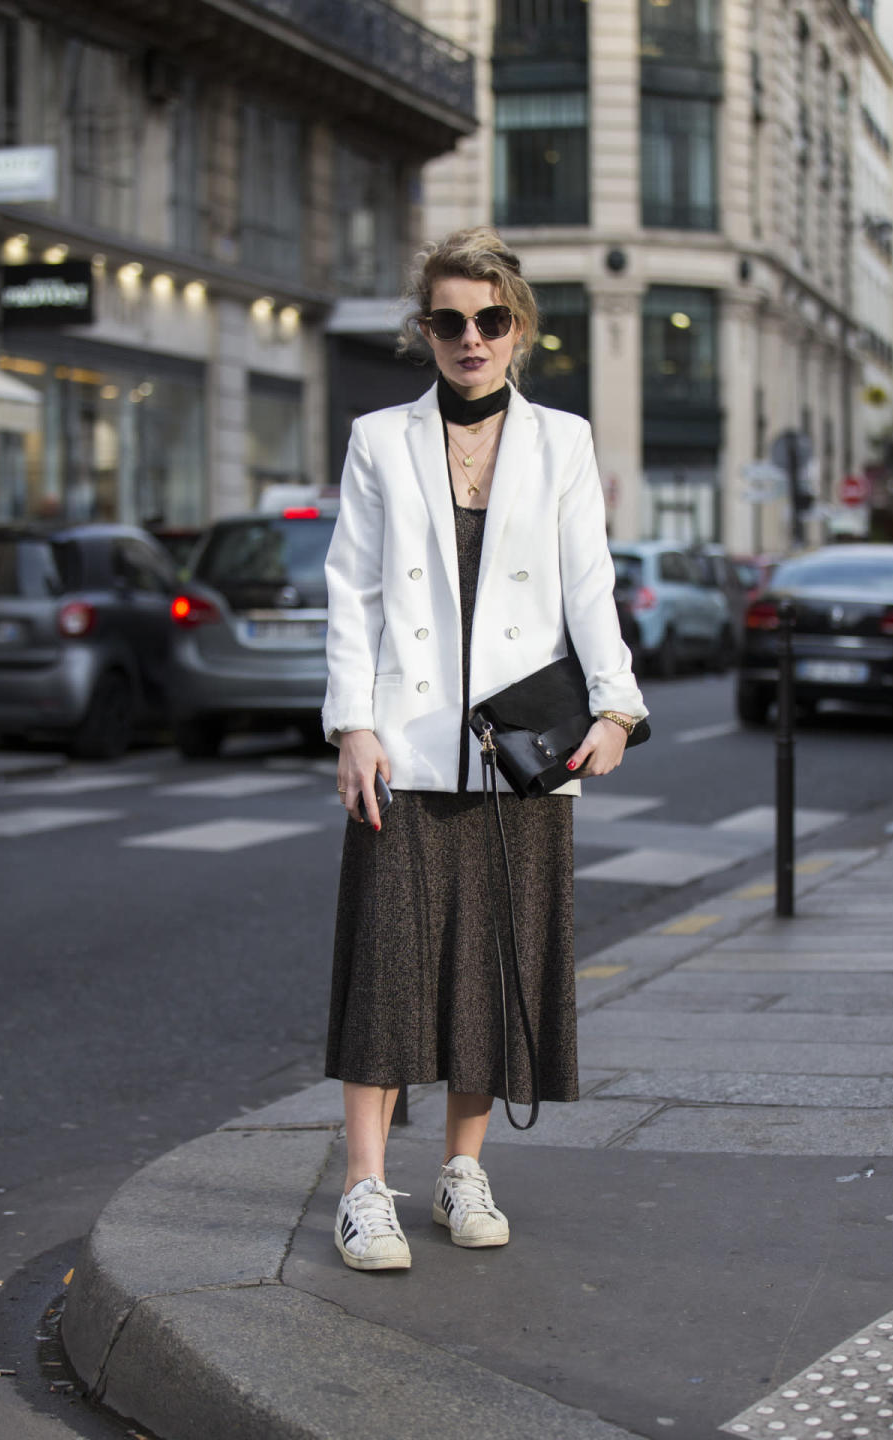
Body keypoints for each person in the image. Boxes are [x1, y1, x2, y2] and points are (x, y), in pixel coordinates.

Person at [322, 226, 647, 1271]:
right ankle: (365, 1189)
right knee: (387, 967)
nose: (472, 337)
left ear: (519, 330)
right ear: (427, 331)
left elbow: (588, 585)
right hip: (406, 745)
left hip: (518, 751)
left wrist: (616, 708)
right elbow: (353, 593)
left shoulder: (562, 441)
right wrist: (353, 725)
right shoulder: (380, 439)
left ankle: (462, 1171)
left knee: (485, 968)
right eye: (452, 320)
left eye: (491, 319)